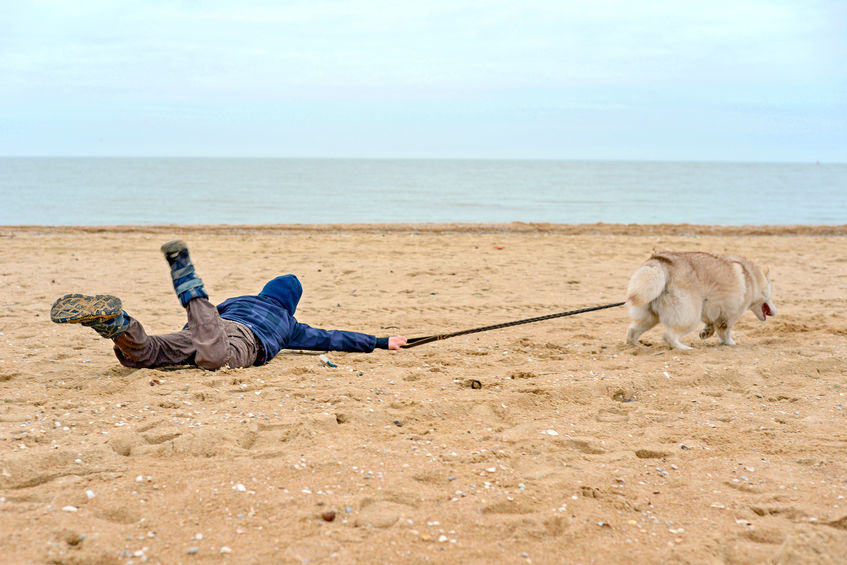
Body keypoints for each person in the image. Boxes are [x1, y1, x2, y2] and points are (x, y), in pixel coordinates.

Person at [50, 240, 407, 370]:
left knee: (145, 355)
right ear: (291, 305)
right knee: (216, 358)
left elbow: (214, 318)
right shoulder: (290, 324)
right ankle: (188, 282)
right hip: (239, 339)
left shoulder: (242, 299)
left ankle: (117, 324)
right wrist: (380, 341)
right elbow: (333, 338)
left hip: (206, 327)